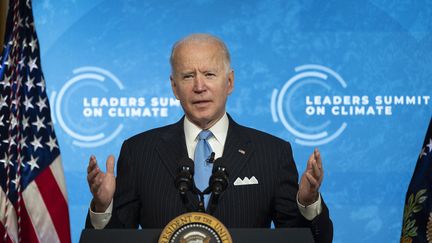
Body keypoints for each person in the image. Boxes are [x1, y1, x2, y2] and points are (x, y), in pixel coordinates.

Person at [85, 33, 333, 242]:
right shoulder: (139, 152)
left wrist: (308, 203)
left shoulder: (272, 153)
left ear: (230, 82)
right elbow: (113, 240)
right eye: (188, 76)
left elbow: (306, 240)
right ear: (174, 87)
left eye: (209, 74)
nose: (199, 86)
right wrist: (103, 207)